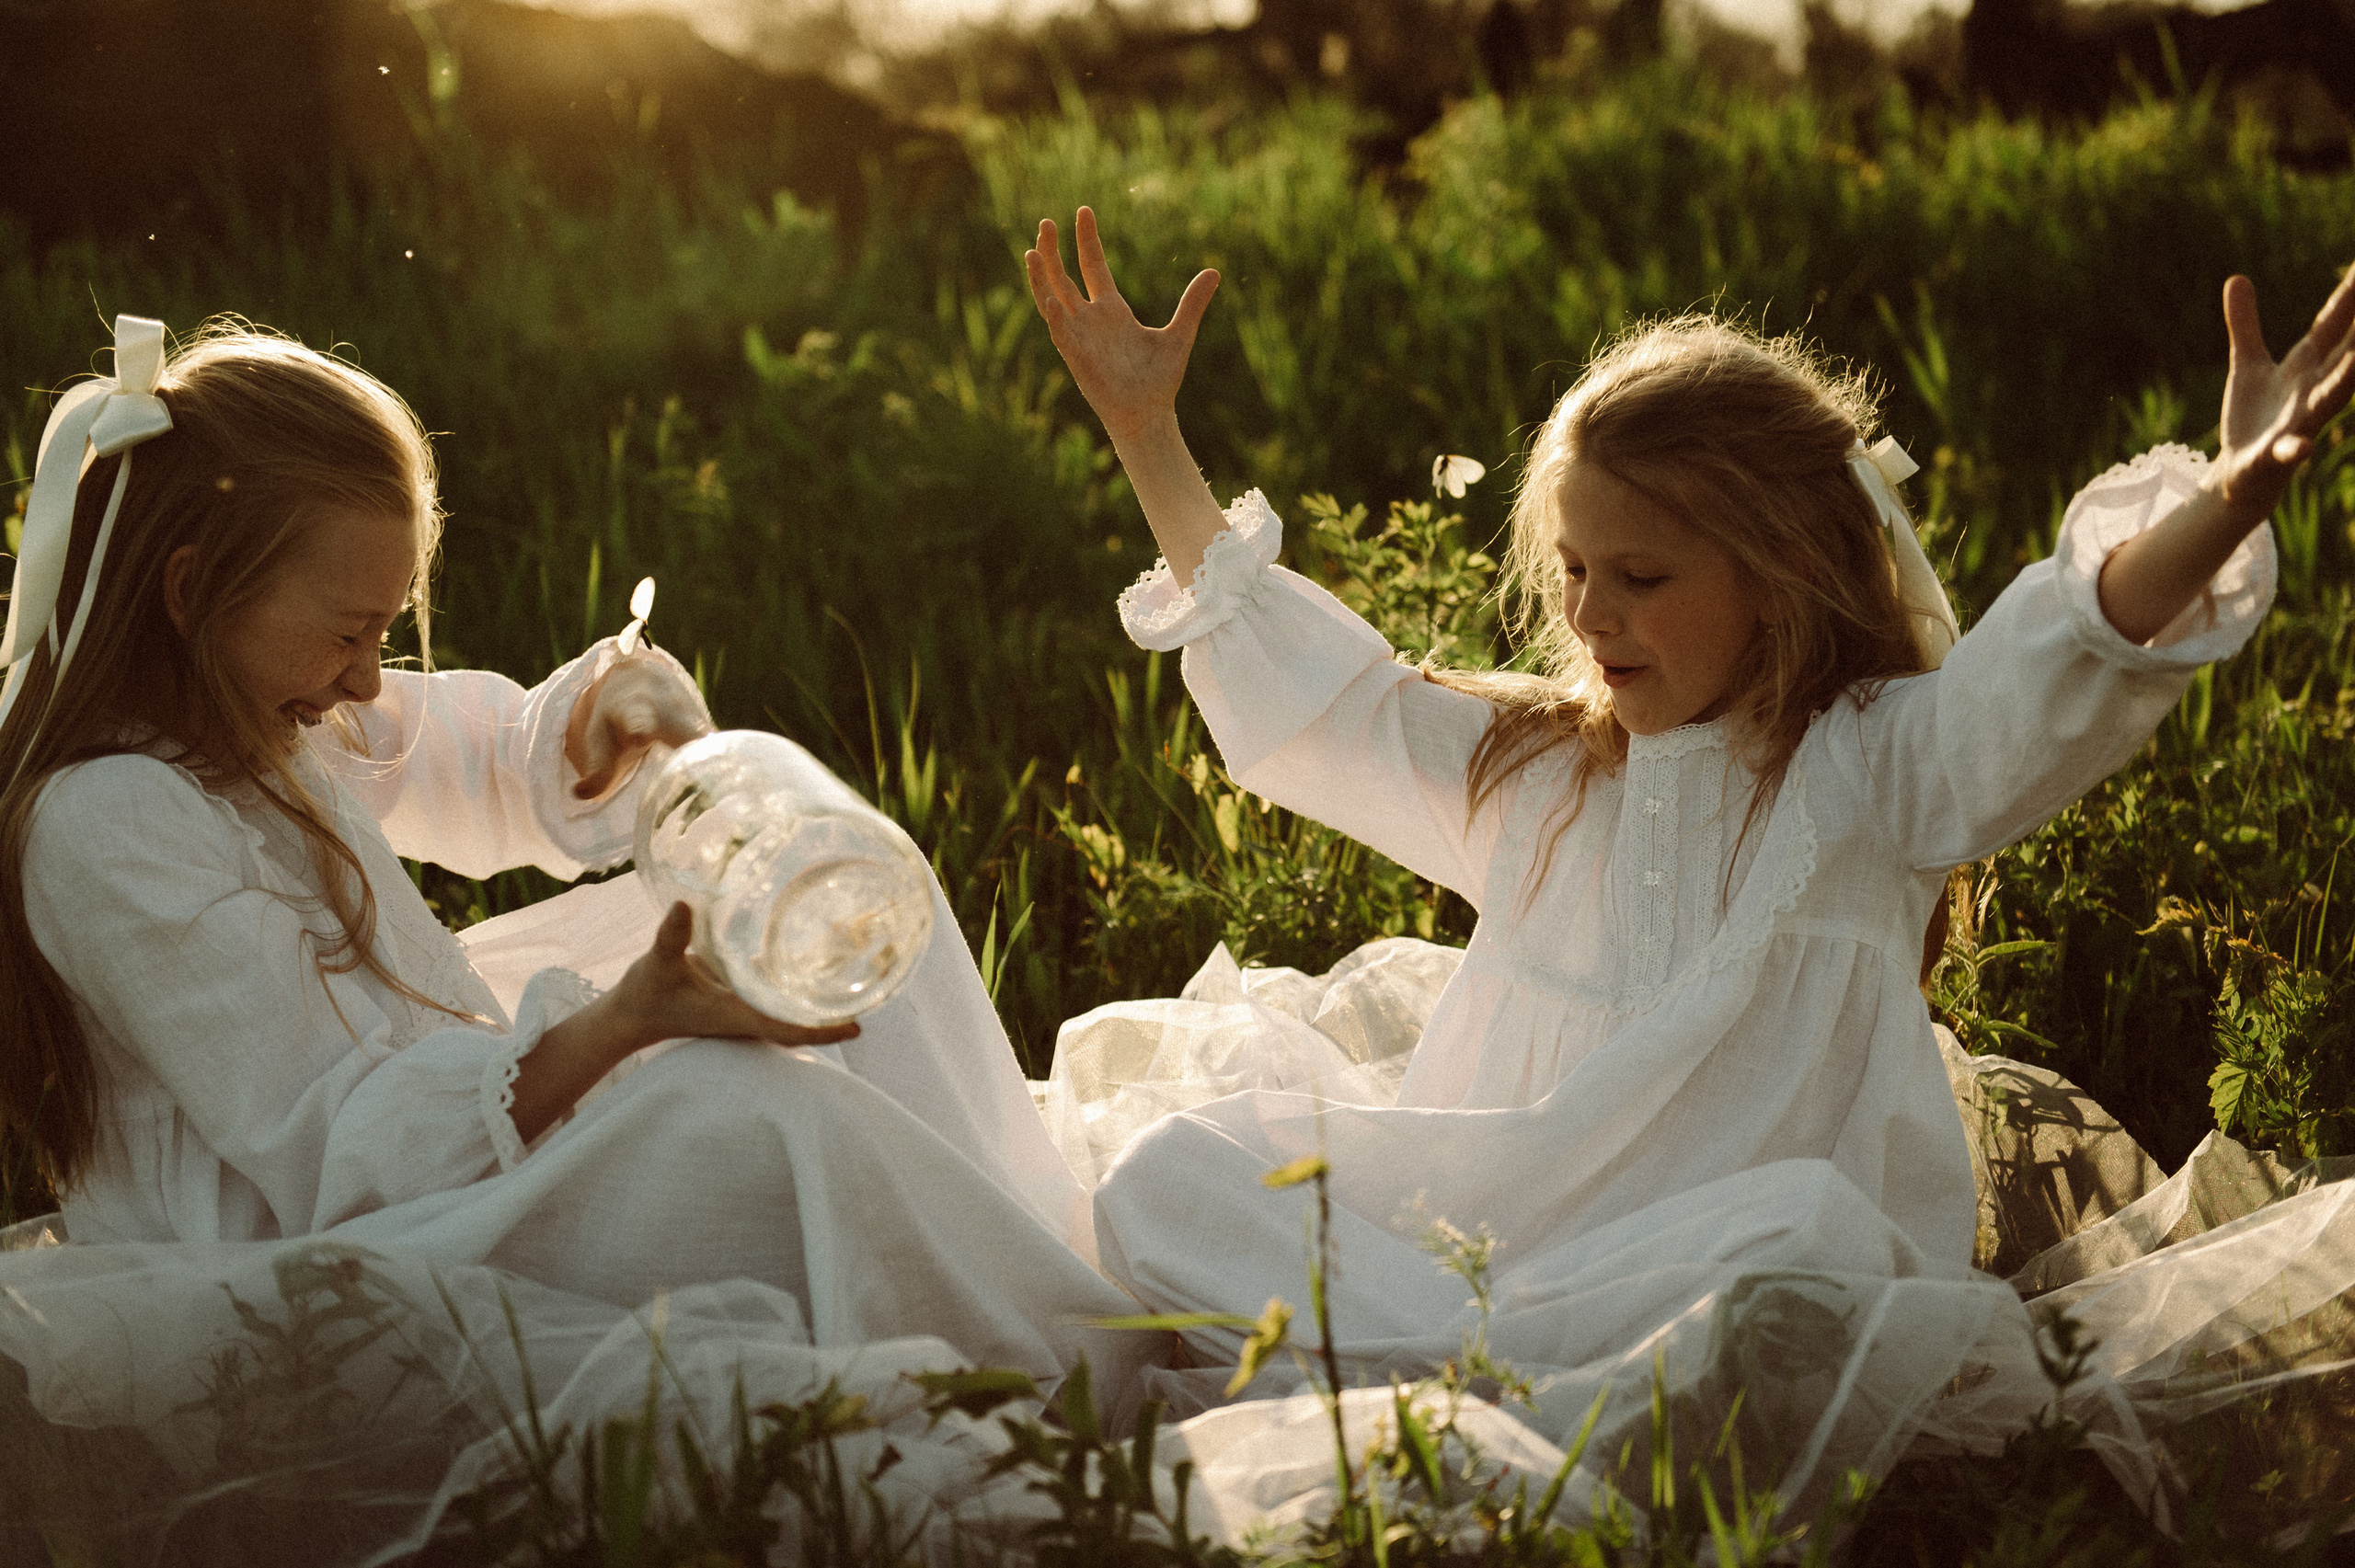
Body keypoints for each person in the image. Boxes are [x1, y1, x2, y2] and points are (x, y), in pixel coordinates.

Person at [1023, 208, 2355, 1513]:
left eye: (1643, 578)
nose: (1593, 617)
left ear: (1776, 572)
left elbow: (2041, 668)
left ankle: (1480, 1388)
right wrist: (1149, 432)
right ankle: (1476, 1371)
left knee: (1804, 1255)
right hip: (1489, 1233)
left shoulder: (1868, 772)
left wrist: (2229, 502)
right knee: (1167, 1178)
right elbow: (1331, 706)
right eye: (1576, 572)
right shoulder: (1537, 768)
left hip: (1708, 1263)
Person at [0, 318, 1155, 1559]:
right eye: (349, 632)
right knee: (748, 1112)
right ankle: (1074, 1384)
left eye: (383, 633)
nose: (367, 681)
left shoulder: (257, 701)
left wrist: (608, 710)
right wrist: (621, 1028)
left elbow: (468, 750)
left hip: (442, 1103)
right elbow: (328, 1137)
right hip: (332, 1235)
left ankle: (1043, 1272)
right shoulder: (105, 819)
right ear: (187, 592)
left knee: (852, 908)